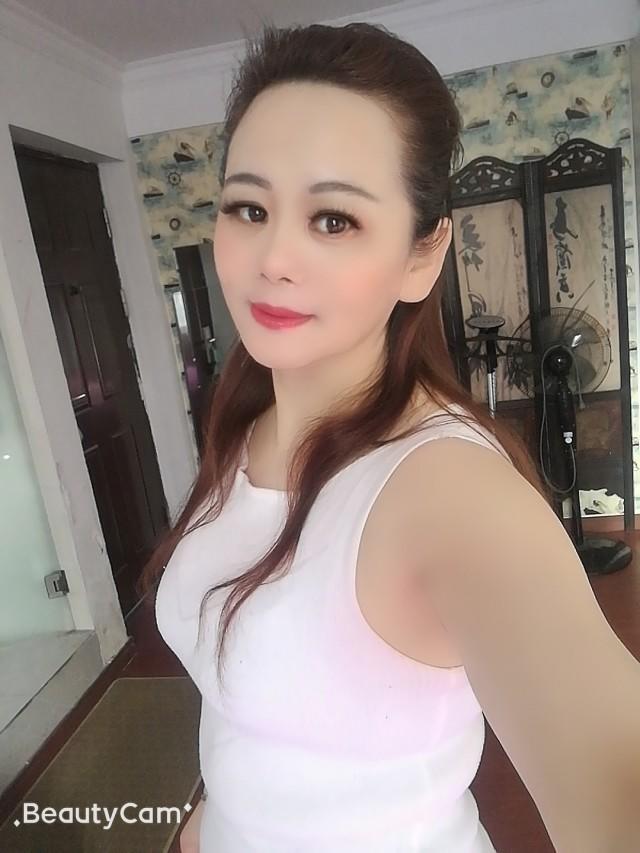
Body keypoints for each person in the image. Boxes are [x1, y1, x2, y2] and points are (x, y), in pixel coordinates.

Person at [143, 20, 640, 853]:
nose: (273, 256)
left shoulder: (447, 491)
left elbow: (617, 773)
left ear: (422, 254)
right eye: (249, 208)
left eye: (334, 219)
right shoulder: (246, 428)